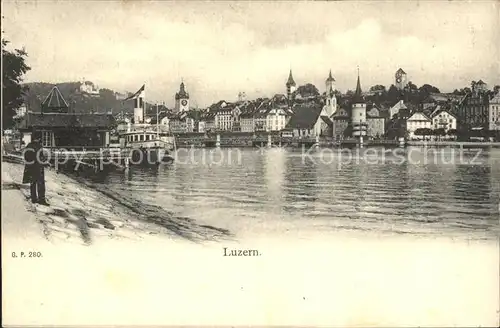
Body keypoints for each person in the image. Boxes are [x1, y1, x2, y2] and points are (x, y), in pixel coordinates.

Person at [22, 137, 49, 206]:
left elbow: (26, 157)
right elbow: (41, 157)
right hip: (38, 167)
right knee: (40, 184)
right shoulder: (39, 146)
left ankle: (34, 198)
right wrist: (45, 162)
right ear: (38, 139)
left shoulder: (29, 146)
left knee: (33, 183)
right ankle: (41, 199)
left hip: (31, 167)